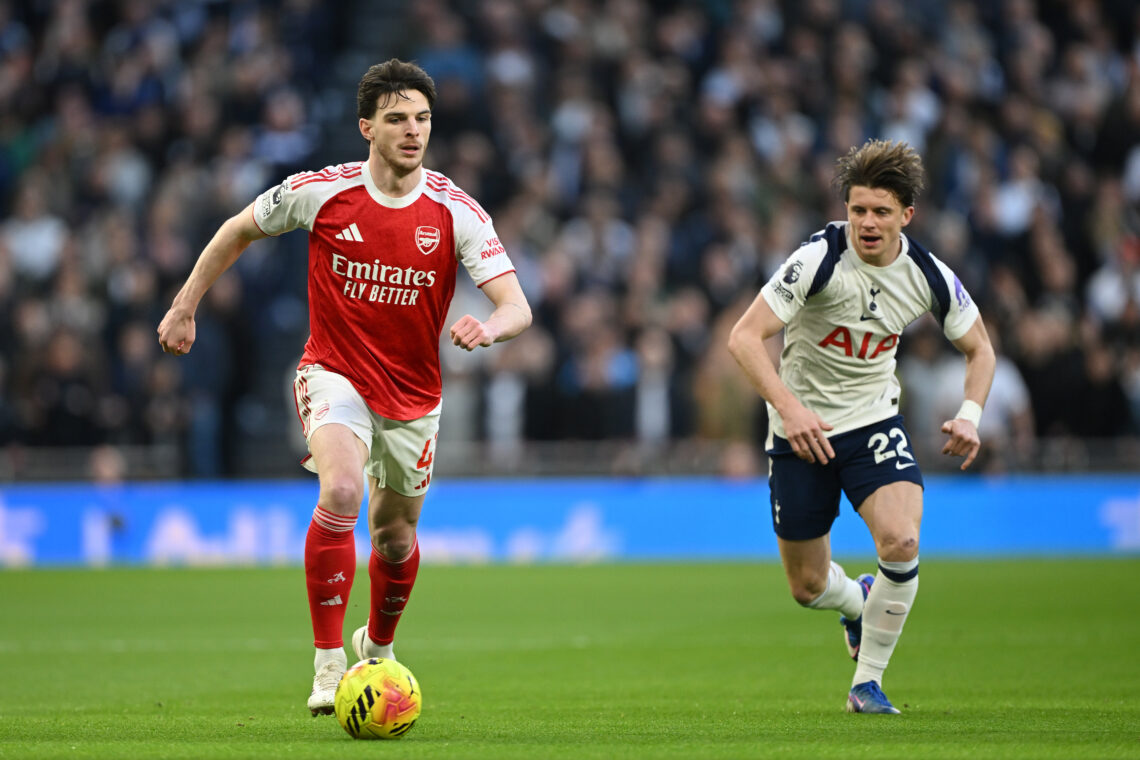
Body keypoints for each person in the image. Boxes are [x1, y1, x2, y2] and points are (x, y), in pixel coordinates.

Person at [157, 59, 532, 716]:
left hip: (415, 397)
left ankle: (377, 646)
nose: (413, 131)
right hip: (334, 372)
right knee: (341, 490)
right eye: (397, 119)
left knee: (394, 539)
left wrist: (491, 327)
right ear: (367, 127)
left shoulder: (453, 210)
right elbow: (237, 229)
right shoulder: (322, 192)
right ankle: (329, 660)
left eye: (422, 119)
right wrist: (186, 305)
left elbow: (517, 306)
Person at [727, 139, 995, 714]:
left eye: (880, 211)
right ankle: (856, 600)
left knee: (901, 540)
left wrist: (971, 416)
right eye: (857, 210)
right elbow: (744, 338)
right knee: (807, 588)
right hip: (801, 431)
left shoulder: (927, 273)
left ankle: (866, 684)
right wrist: (790, 409)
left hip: (873, 420)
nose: (867, 223)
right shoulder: (817, 259)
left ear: (906, 215)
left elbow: (981, 350)